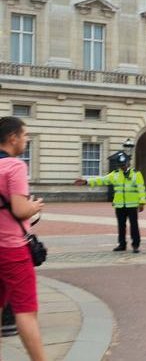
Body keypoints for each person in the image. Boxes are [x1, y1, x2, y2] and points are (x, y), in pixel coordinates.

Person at [0, 116, 46, 361]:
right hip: (12, 249)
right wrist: (35, 206)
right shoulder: (15, 166)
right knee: (26, 311)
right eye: (25, 135)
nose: (26, 139)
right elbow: (19, 210)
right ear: (12, 137)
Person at [75, 152, 146, 252]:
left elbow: (141, 188)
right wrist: (87, 181)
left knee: (134, 226)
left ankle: (135, 245)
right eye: (121, 165)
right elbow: (102, 180)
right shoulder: (115, 174)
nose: (123, 167)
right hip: (119, 204)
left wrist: (142, 202)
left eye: (124, 165)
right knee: (121, 226)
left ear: (128, 164)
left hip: (132, 204)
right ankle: (122, 244)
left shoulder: (136, 174)